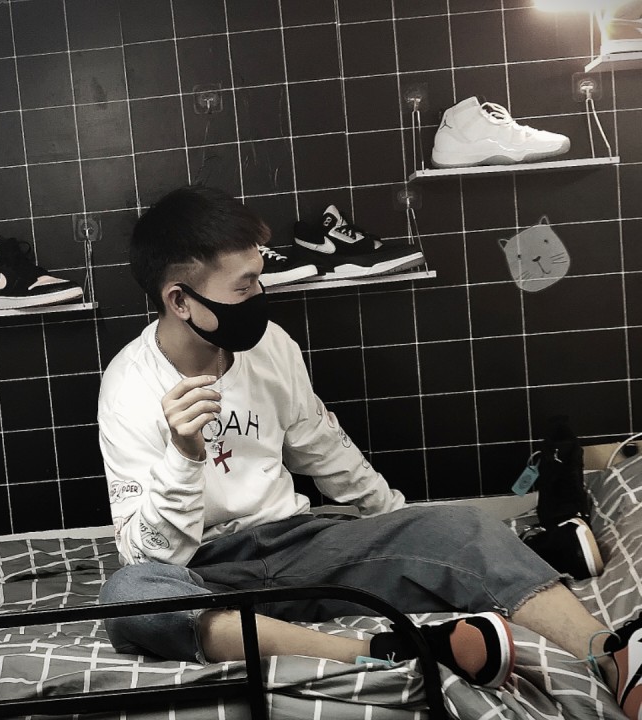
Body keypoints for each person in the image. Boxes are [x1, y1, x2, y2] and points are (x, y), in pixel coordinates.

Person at [98, 185, 641, 717]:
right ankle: (390, 650)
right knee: (130, 597)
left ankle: (615, 658)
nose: (260, 296)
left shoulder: (271, 347)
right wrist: (185, 455)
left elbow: (322, 447)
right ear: (180, 300)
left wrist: (404, 527)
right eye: (244, 288)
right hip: (207, 569)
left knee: (460, 526)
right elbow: (150, 558)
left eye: (259, 278)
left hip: (298, 546)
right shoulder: (128, 388)